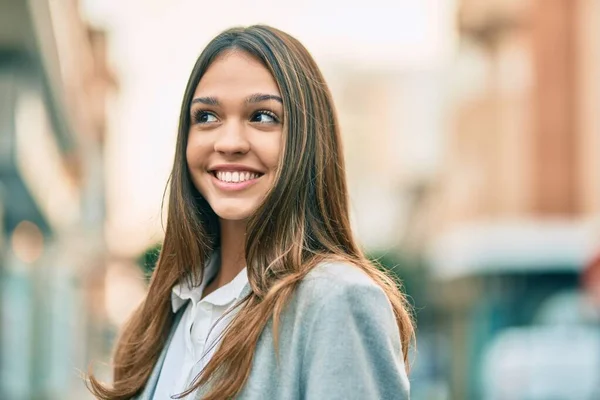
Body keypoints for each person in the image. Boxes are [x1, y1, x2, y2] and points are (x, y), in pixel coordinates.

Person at [88, 25, 414, 400]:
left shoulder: (337, 301)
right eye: (207, 117)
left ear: (308, 140)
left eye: (262, 117)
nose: (229, 143)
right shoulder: (162, 317)